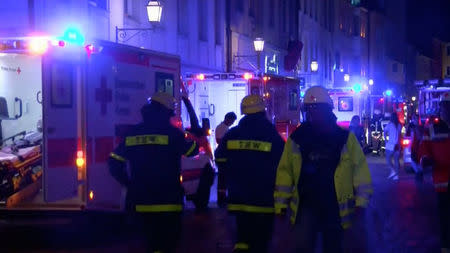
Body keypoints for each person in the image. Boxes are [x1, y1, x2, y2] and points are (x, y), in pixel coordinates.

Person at [274, 86, 373, 253]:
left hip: (334, 208)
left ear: (327, 111)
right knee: (302, 247)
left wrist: (361, 202)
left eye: (317, 109)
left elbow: (360, 171)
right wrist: (280, 205)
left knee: (333, 247)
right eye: (310, 109)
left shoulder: (345, 138)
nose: (313, 113)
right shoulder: (297, 139)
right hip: (306, 207)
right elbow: (285, 172)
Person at [108, 92, 198, 253]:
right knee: (167, 243)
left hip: (141, 201)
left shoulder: (133, 133)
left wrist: (129, 184)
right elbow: (192, 151)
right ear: (166, 112)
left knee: (148, 244)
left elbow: (114, 161)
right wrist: (195, 136)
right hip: (169, 201)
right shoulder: (173, 133)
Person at [215, 95, 284, 253]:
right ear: (263, 111)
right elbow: (282, 164)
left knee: (242, 239)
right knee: (261, 242)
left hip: (238, 199)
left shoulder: (232, 134)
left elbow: (219, 157)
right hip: (263, 200)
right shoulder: (272, 135)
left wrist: (232, 172)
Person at [420, 91, 450, 253]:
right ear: (441, 108)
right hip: (443, 182)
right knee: (445, 217)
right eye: (446, 106)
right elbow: (424, 149)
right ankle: (446, 246)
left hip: (443, 180)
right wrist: (425, 159)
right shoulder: (432, 129)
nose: (448, 110)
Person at [215, 111, 237, 207]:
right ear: (228, 119)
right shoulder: (221, 128)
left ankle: (223, 197)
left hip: (224, 156)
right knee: (222, 179)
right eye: (232, 121)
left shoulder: (226, 128)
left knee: (224, 179)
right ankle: (221, 199)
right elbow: (219, 140)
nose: (232, 123)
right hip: (222, 157)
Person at [384, 112, 402, 180]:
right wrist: (400, 146)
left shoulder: (389, 124)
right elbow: (400, 136)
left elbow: (385, 132)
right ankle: (396, 175)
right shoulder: (399, 125)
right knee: (396, 160)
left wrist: (386, 140)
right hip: (397, 145)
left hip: (390, 145)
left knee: (388, 160)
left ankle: (393, 171)